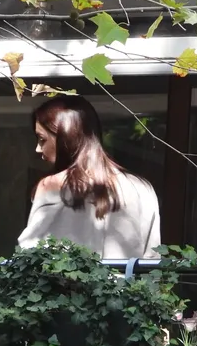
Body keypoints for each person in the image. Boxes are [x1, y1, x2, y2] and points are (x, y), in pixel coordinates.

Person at [18, 95, 161, 259]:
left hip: (68, 276)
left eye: (42, 139)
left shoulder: (52, 186)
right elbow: (152, 258)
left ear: (65, 136)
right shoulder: (142, 187)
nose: (38, 149)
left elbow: (31, 255)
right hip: (127, 276)